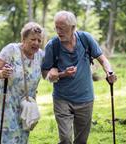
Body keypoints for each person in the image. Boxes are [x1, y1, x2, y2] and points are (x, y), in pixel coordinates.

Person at [41, 11, 117, 144]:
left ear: (73, 27)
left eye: (62, 28)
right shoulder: (52, 45)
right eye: (56, 27)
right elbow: (45, 74)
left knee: (81, 140)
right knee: (65, 139)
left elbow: (103, 59)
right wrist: (58, 74)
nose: (58, 31)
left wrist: (109, 72)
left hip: (85, 98)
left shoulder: (85, 39)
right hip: (62, 99)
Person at [0, 22, 44, 144]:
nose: (36, 43)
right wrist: (1, 73)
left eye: (39, 40)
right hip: (6, 102)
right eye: (33, 39)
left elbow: (50, 71)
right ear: (23, 39)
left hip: (25, 105)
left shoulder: (41, 55)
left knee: (22, 138)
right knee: (8, 139)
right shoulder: (11, 50)